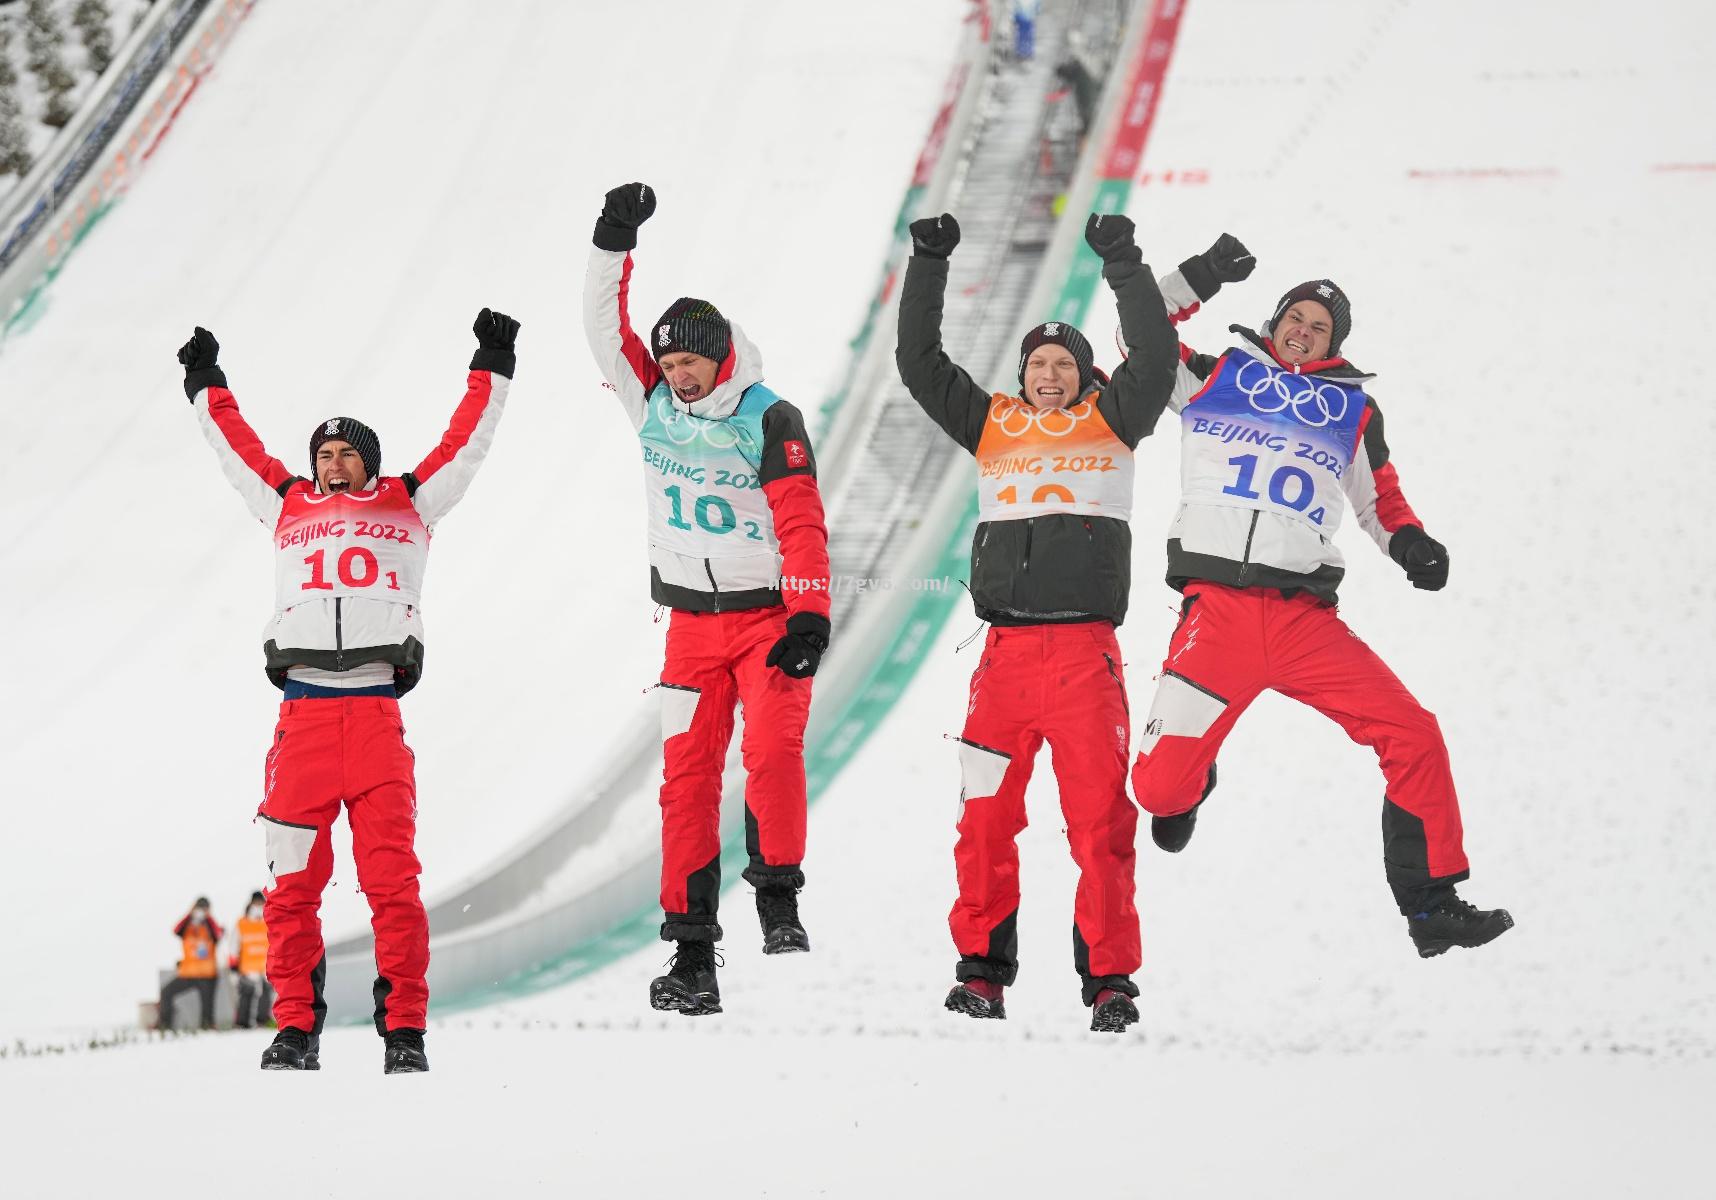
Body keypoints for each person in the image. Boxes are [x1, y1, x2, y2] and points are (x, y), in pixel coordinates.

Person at [1120, 230, 1514, 957]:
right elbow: (1138, 335)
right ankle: (1193, 774)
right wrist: (1200, 275)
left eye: (1320, 327)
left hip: (1305, 620)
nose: (1304, 331)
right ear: (1274, 322)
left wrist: (1411, 544)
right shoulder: (1212, 377)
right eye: (1296, 318)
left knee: (1414, 733)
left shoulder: (1354, 411)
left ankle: (1431, 907)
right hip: (1219, 619)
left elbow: (1378, 502)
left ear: (1334, 345)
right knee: (1158, 797)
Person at [180, 308, 519, 1071]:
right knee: (292, 894)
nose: (332, 465)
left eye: (345, 454)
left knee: (393, 888)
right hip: (300, 720)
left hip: (373, 719)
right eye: (324, 454)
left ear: (369, 463)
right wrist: (207, 384)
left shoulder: (410, 502)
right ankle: (295, 1029)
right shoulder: (287, 504)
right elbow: (238, 453)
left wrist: (492, 364)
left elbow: (465, 444)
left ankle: (404, 1032)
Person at [894, 210, 1179, 1032]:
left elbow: (1156, 357)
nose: (1049, 374)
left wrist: (1123, 261)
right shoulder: (993, 424)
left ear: (1086, 375)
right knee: (984, 820)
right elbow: (920, 363)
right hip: (1005, 662)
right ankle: (982, 974)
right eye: (1037, 363)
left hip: (1086, 658)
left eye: (1064, 363)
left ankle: (1110, 984)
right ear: (1022, 375)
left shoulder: (1114, 419)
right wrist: (930, 261)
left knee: (1100, 825)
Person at [582, 182, 832, 1017]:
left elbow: (800, 521)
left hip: (766, 621)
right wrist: (613, 240)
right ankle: (693, 956)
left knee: (771, 753)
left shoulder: (769, 416)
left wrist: (809, 614)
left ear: (720, 355)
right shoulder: (649, 402)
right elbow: (600, 331)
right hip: (690, 628)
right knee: (685, 784)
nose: (679, 374)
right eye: (671, 360)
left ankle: (778, 896)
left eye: (691, 360)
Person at [158, 897, 222, 1030]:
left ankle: (207, 1026)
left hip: (207, 975)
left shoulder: (209, 926)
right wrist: (189, 914)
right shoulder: (187, 926)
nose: (201, 911)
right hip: (188, 973)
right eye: (199, 908)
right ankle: (165, 1025)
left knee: (207, 1006)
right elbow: (176, 930)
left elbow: (218, 935)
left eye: (204, 909)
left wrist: (208, 918)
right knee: (166, 992)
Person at [228, 890, 271, 1029]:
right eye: (256, 903)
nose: (258, 906)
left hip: (266, 966)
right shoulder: (242, 923)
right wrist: (233, 968)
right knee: (246, 994)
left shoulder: (270, 920)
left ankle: (262, 1021)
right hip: (248, 967)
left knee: (266, 994)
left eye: (261, 903)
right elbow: (233, 946)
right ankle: (242, 1023)